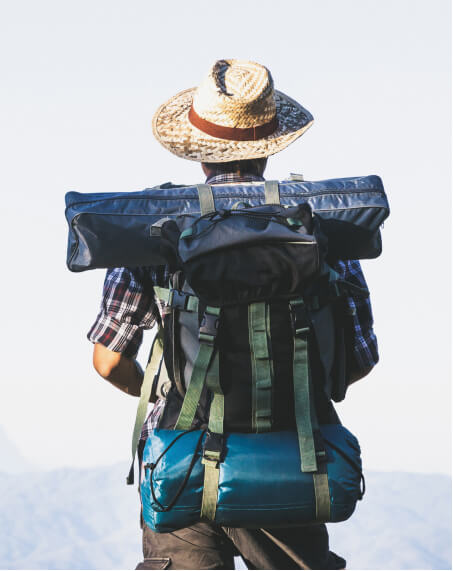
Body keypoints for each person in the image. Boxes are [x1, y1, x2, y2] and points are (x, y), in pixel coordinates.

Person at [88, 59, 378, 570]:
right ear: (270, 146)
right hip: (293, 461)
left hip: (180, 460)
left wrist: (167, 394)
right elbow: (359, 358)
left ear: (199, 151)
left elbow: (108, 361)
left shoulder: (156, 228)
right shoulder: (318, 229)